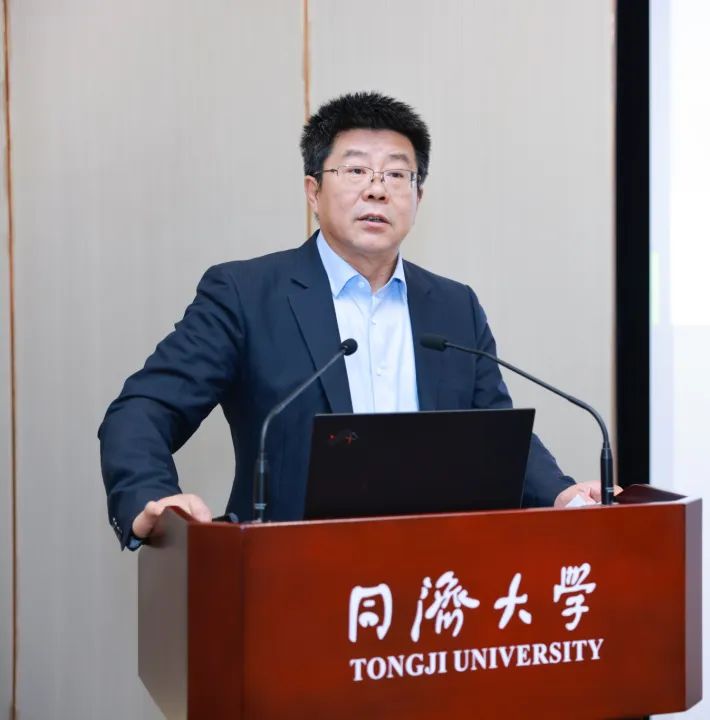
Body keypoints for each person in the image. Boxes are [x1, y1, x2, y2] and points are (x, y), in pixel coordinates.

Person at [99, 91, 600, 550]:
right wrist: (153, 497)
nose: (377, 190)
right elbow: (143, 408)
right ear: (313, 191)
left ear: (418, 198)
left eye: (397, 175)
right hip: (290, 575)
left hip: (433, 576)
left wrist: (560, 495)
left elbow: (494, 436)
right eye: (356, 170)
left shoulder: (454, 307)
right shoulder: (247, 295)